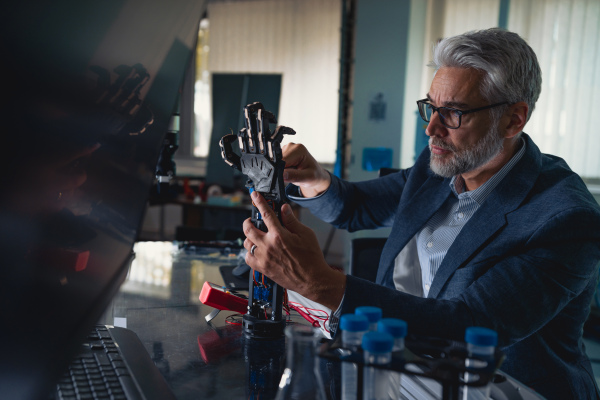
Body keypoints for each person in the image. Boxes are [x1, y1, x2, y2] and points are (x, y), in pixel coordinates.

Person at [242, 28, 600, 399]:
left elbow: (469, 326)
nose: (431, 129)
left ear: (513, 120)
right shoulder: (439, 166)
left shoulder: (566, 218)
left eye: (454, 113)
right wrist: (316, 179)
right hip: (395, 370)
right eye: (430, 107)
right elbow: (359, 207)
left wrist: (320, 283)